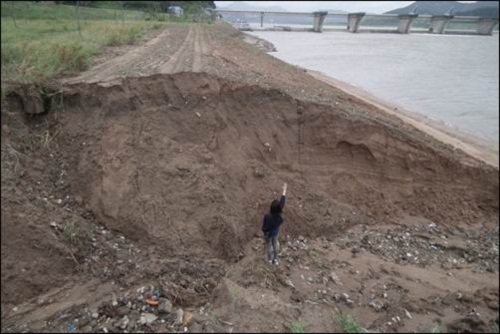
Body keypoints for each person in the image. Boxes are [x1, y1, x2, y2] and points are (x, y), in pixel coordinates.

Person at [262, 183, 287, 265]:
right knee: (275, 244)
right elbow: (282, 203)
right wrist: (284, 190)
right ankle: (275, 259)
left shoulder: (267, 216)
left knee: (269, 245)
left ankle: (269, 260)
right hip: (275, 232)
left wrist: (264, 233)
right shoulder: (279, 217)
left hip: (268, 233)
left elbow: (264, 227)